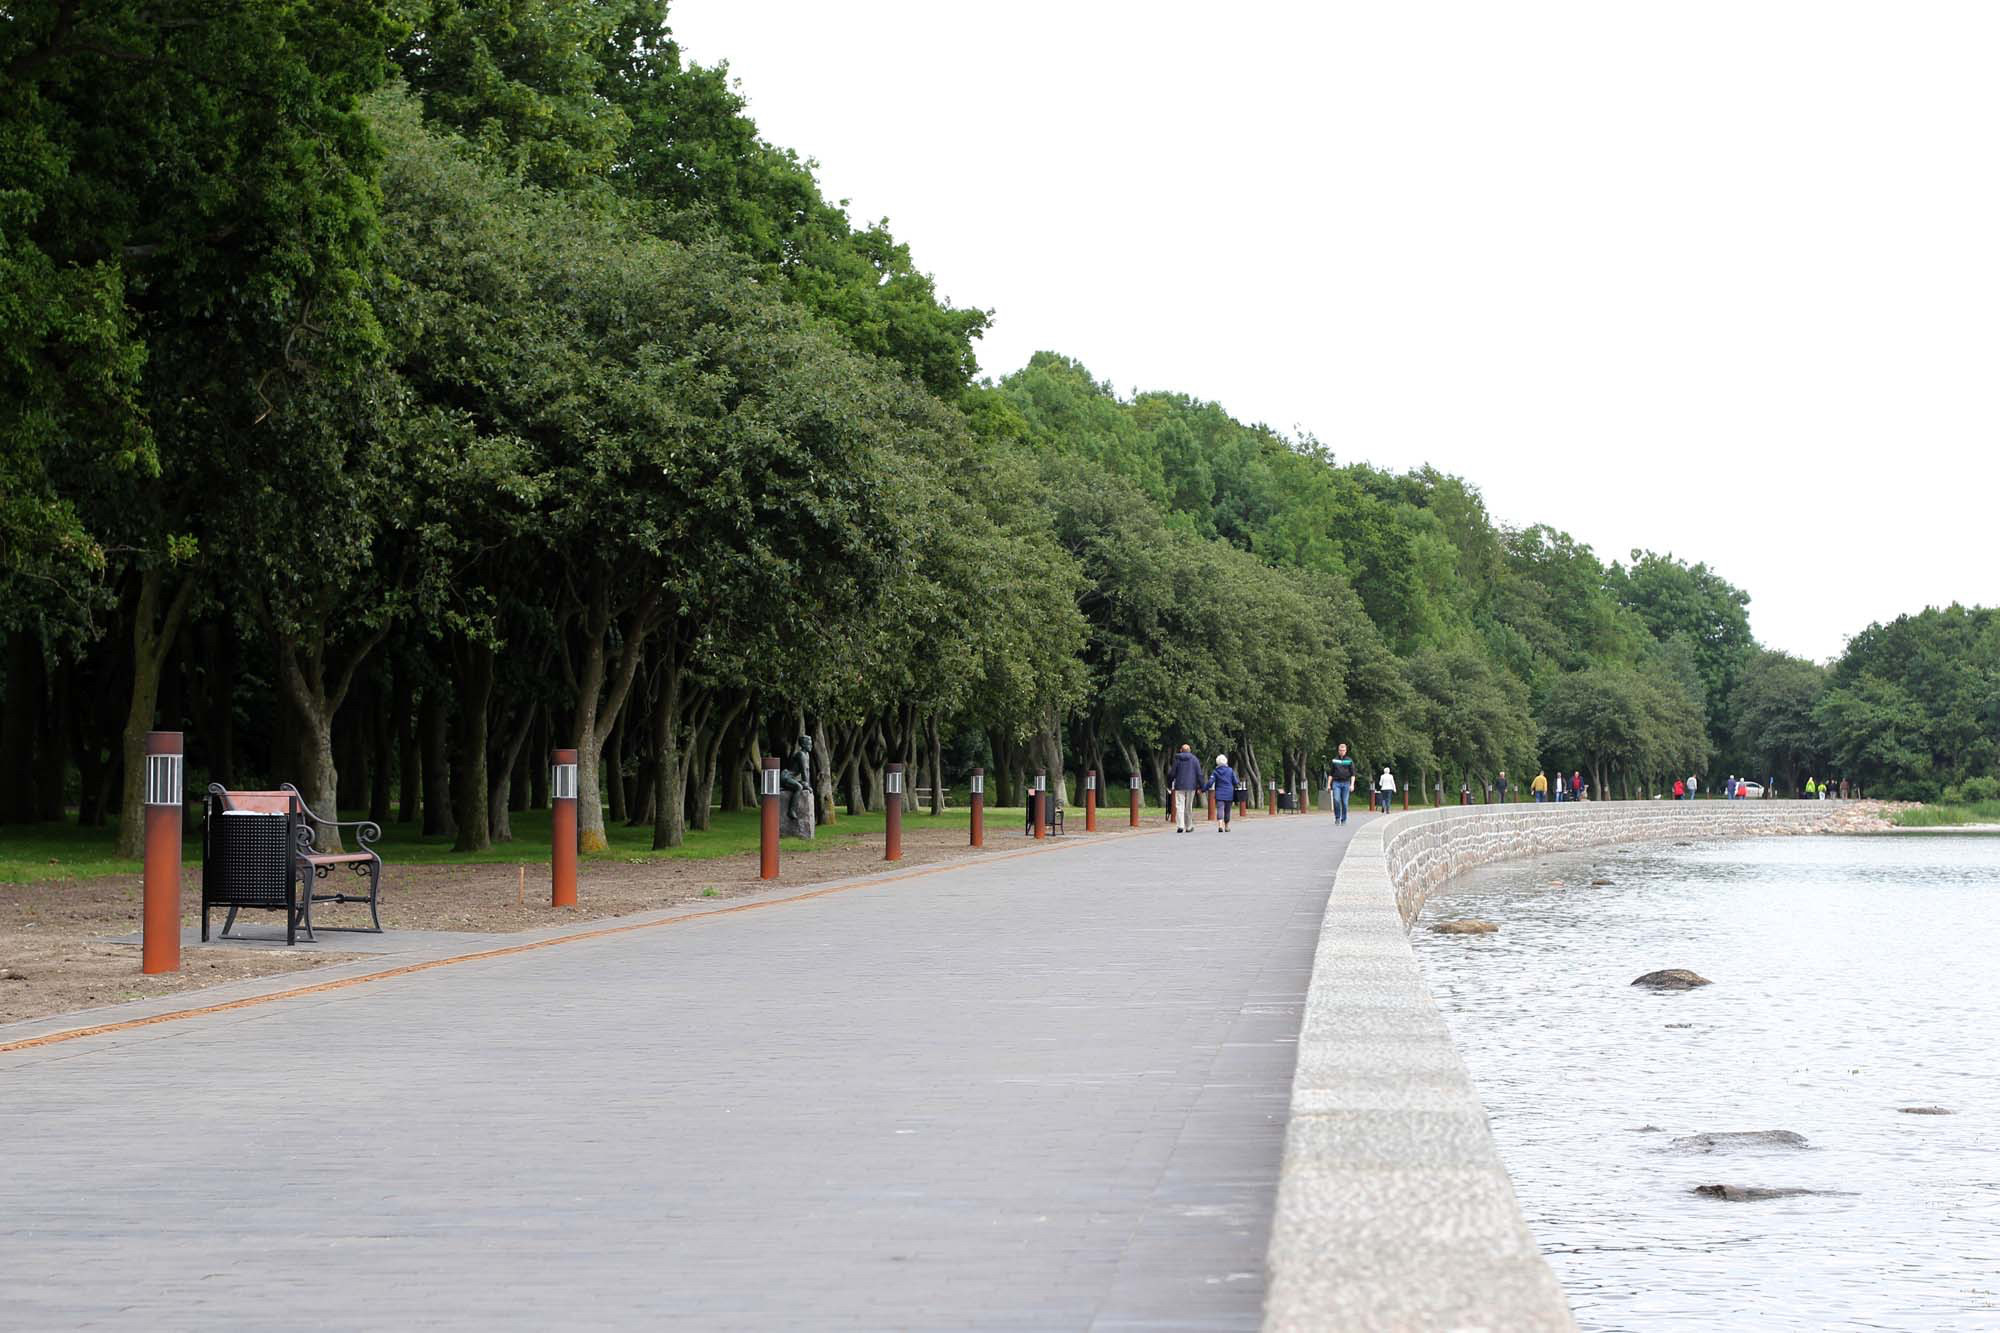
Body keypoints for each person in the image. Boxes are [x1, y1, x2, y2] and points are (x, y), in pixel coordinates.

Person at [1169, 744, 1203, 833]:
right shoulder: (1195, 759)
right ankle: (1188, 826)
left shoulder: (1177, 759)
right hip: (1191, 786)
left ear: (1181, 750)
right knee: (1188, 806)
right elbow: (1199, 774)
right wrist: (1201, 786)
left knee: (1179, 805)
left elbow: (1172, 773)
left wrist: (1169, 784)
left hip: (1179, 785)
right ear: (1190, 750)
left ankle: (1180, 825)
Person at [1326, 743, 1356, 824]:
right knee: (1336, 800)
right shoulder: (1334, 760)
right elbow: (1331, 774)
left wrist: (1352, 785)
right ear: (1338, 751)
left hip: (1346, 783)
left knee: (1345, 802)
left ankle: (1344, 819)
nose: (1342, 752)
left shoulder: (1349, 760)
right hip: (1336, 783)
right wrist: (1328, 785)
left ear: (1346, 751)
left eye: (1343, 750)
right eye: (1340, 750)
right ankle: (1337, 817)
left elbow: (1353, 774)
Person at [1209, 754, 1239, 832]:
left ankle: (1220, 825)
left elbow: (1210, 782)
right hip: (1229, 793)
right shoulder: (1230, 770)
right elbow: (1235, 781)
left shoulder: (1215, 771)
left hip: (1219, 793)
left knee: (1220, 809)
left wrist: (1203, 789)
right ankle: (1226, 826)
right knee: (1227, 810)